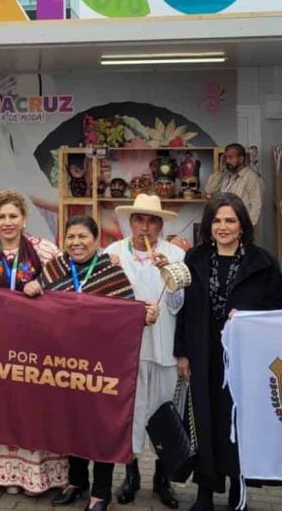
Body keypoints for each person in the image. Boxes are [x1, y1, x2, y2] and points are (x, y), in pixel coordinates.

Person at [175, 194, 282, 511]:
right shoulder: (193, 259)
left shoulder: (262, 264)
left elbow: (275, 312)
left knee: (238, 424)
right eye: (217, 220)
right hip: (202, 353)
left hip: (243, 359)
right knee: (205, 421)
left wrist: (247, 315)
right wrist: (182, 353)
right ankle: (205, 492)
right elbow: (182, 310)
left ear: (242, 226)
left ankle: (239, 490)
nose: (223, 227)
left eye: (230, 220)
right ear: (209, 225)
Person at [0, 189, 67, 496]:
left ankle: (31, 475)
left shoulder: (44, 250)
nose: (7, 223)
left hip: (32, 348)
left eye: (13, 216)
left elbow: (64, 287)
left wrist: (42, 286)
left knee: (30, 408)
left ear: (24, 218)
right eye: (1, 217)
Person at [43, 215, 142, 511]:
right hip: (64, 363)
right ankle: (76, 481)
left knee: (101, 427)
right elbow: (36, 309)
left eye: (82, 237)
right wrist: (31, 291)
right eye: (70, 237)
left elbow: (127, 309)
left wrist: (144, 314)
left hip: (102, 365)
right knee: (71, 422)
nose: (76, 243)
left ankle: (101, 492)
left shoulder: (110, 271)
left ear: (96, 240)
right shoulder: (54, 269)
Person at [104, 194, 187, 509]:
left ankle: (163, 479)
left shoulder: (175, 253)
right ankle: (132, 475)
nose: (145, 227)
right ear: (130, 222)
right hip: (127, 350)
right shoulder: (112, 253)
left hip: (164, 346)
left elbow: (182, 306)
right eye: (139, 220)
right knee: (131, 414)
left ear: (160, 225)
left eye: (152, 221)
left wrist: (171, 278)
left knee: (164, 414)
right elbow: (104, 301)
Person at [204, 143, 264, 227]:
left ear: (241, 159)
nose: (227, 161)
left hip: (241, 225)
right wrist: (220, 171)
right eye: (226, 158)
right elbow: (209, 190)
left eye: (231, 157)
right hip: (224, 222)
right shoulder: (226, 175)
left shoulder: (251, 177)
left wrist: (247, 226)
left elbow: (256, 204)